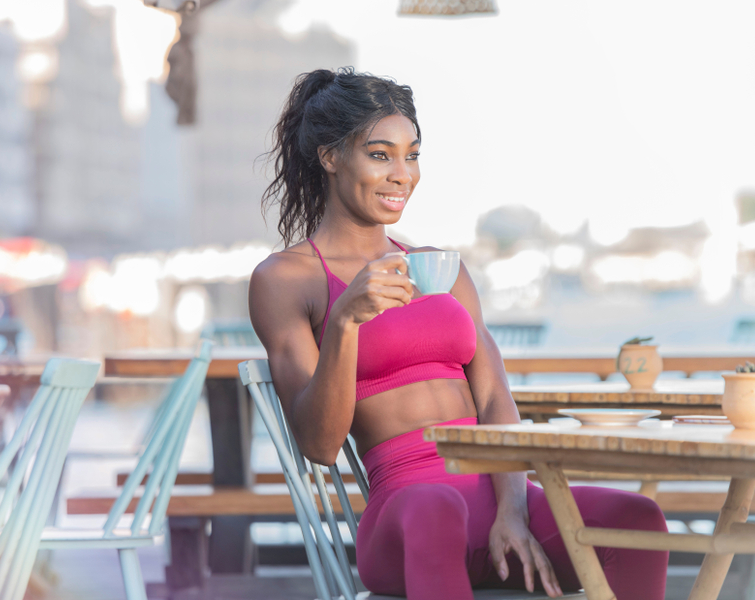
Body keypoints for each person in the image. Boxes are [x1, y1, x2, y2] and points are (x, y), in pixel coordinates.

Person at [249, 68, 668, 600]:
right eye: (381, 155)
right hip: (408, 516)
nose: (403, 174)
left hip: (502, 503)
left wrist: (514, 512)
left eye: (413, 154)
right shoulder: (286, 279)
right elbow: (320, 444)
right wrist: (345, 321)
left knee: (638, 518)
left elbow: (494, 396)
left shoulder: (438, 267)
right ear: (330, 158)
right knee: (436, 508)